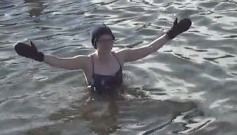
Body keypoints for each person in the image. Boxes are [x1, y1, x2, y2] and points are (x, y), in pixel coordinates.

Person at [14, 17, 192, 92]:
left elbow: (149, 49)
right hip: (95, 101)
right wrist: (39, 56)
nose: (107, 44)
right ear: (95, 44)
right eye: (102, 41)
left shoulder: (120, 56)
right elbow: (60, 62)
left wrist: (170, 34)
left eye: (110, 40)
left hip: (120, 96)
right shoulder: (86, 62)